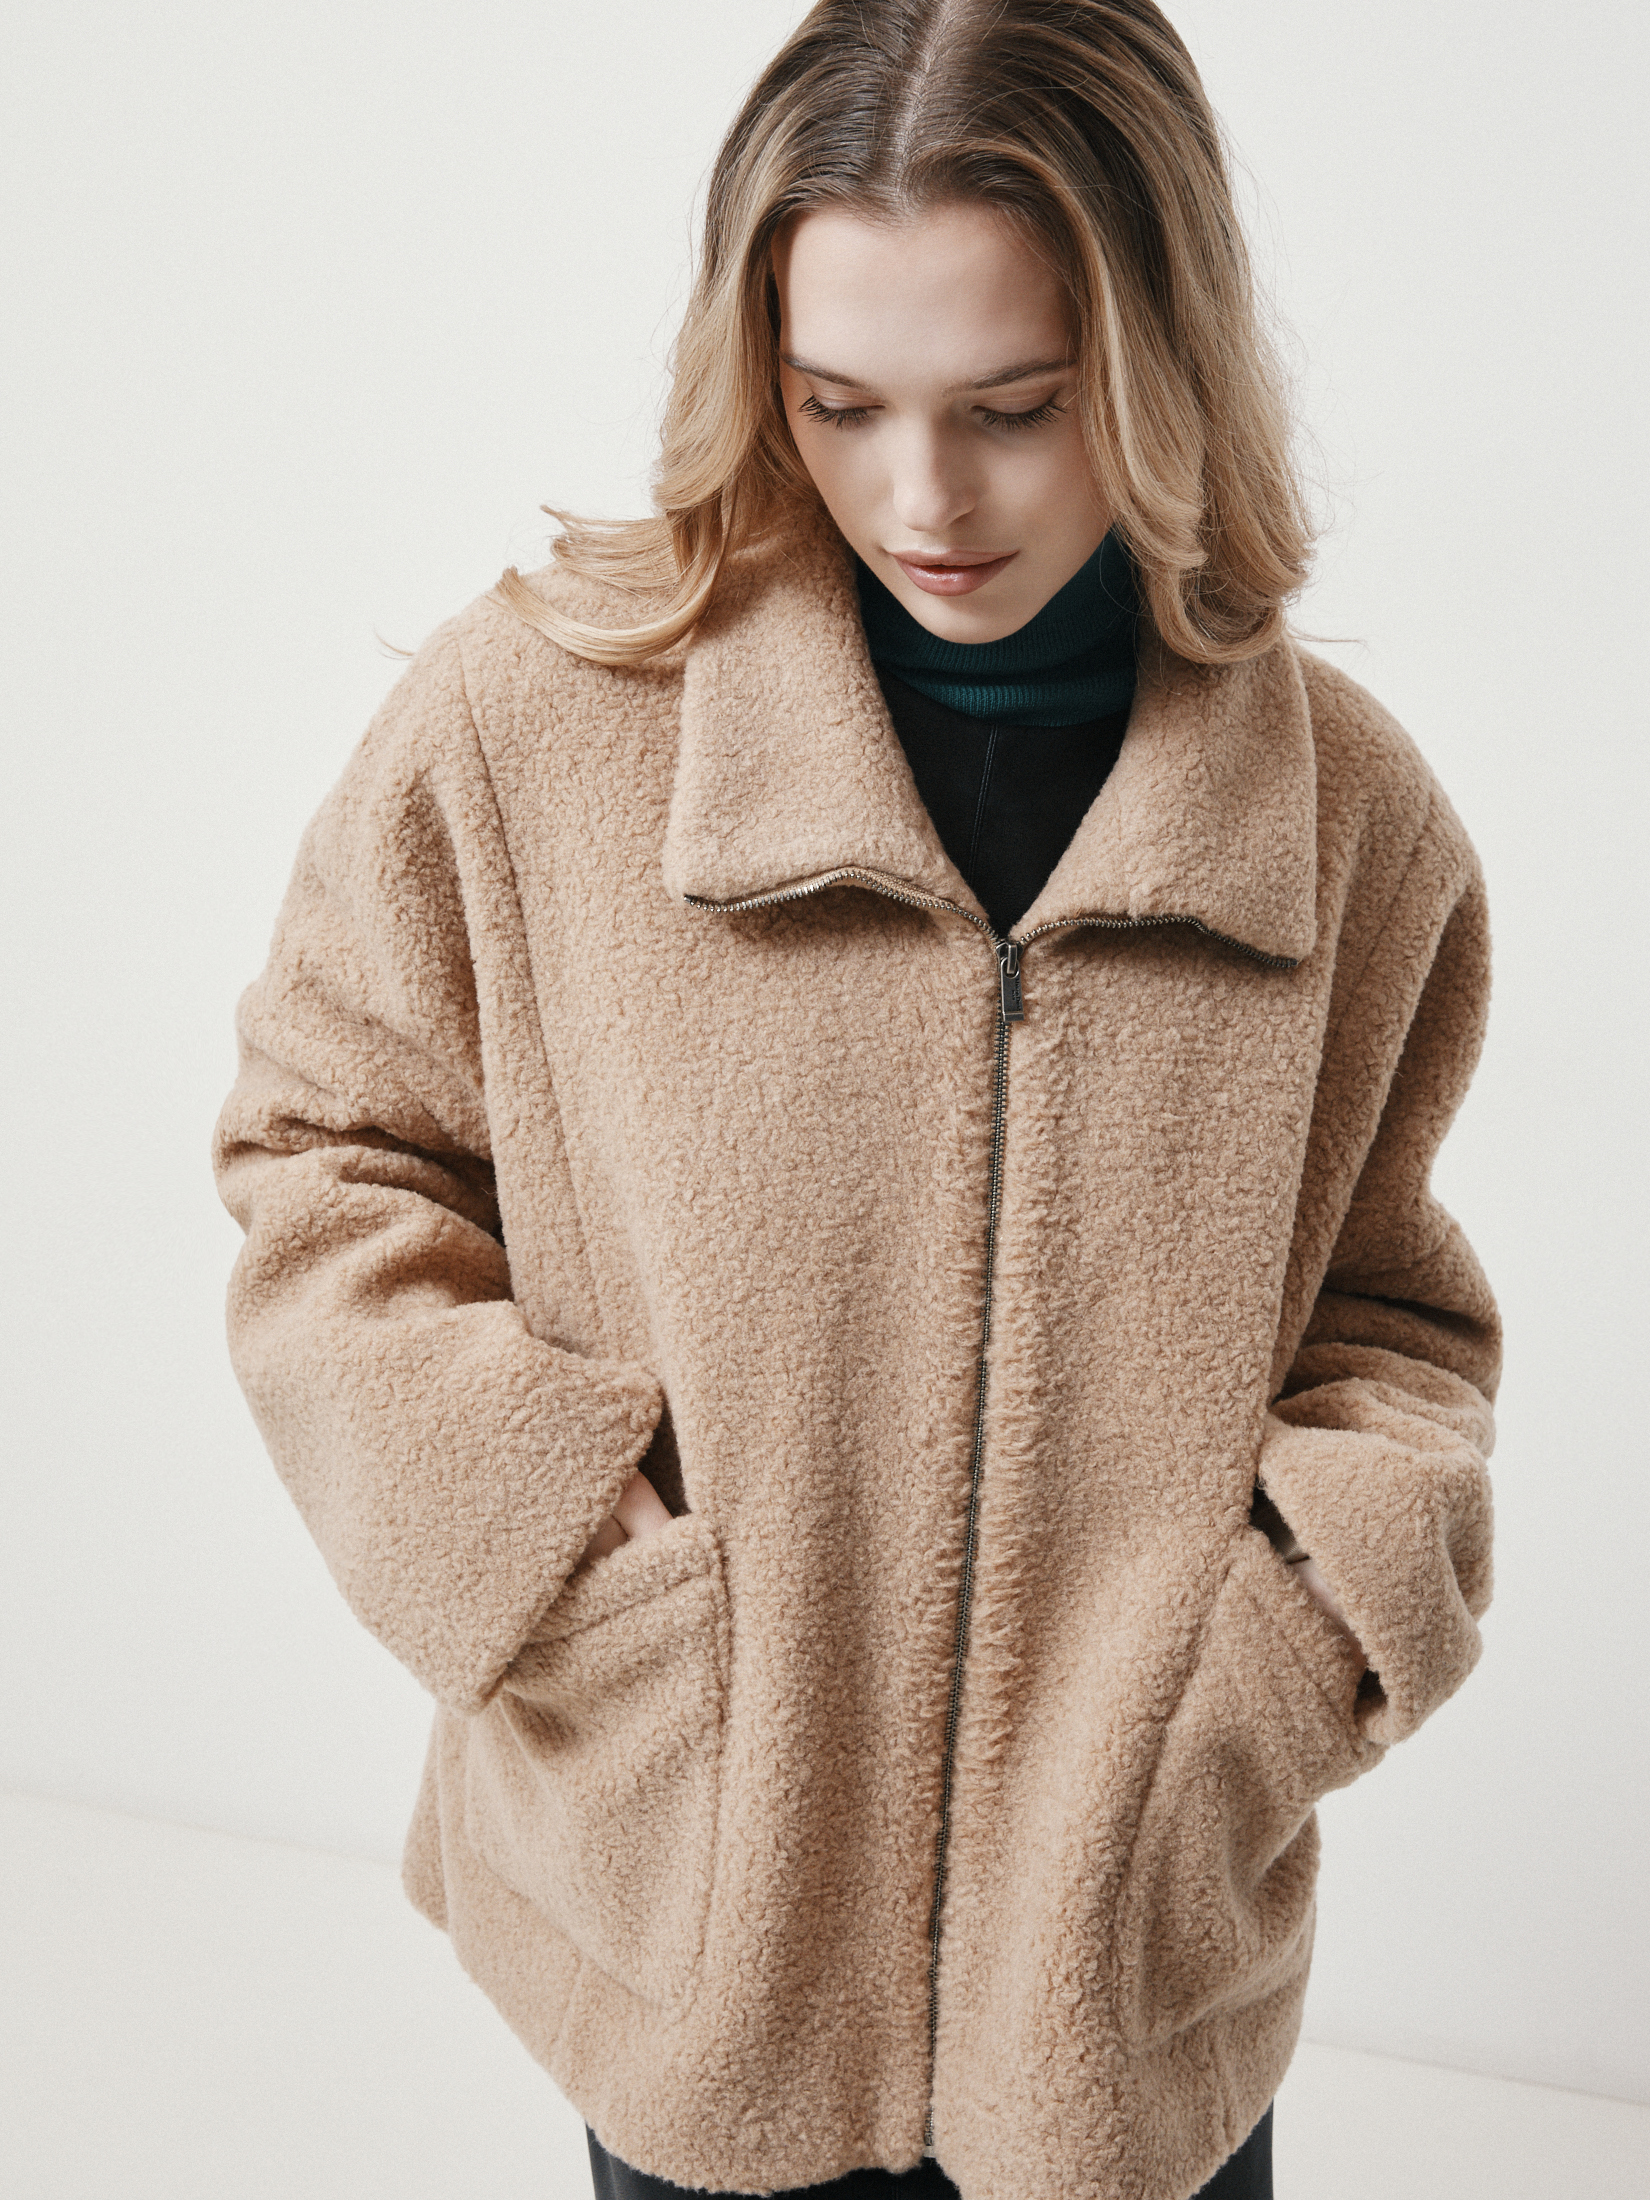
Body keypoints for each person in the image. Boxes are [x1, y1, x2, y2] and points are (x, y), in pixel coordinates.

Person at [211, 4, 1500, 2197]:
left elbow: (1393, 1323)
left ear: (1163, 358)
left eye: (1016, 405)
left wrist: (1269, 1655)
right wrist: (557, 1548)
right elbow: (323, 1163)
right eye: (839, 403)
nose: (924, 499)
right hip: (698, 1931)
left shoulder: (1349, 824)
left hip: (1128, 1983)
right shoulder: (540, 726)